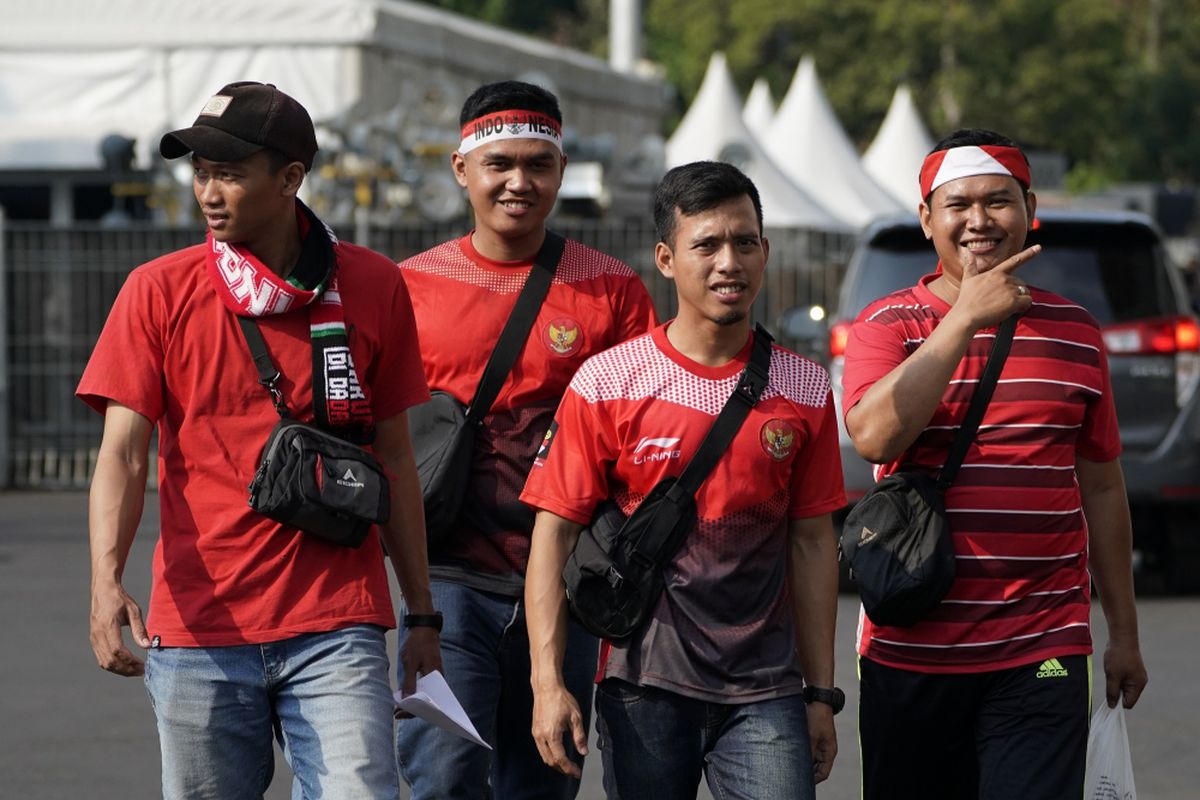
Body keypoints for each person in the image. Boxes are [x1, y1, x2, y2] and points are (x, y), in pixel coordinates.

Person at [78, 81, 440, 800]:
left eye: (231, 172)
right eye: (201, 171)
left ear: (290, 179)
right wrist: (105, 581)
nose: (209, 191)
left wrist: (421, 612)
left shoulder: (372, 283)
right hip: (200, 629)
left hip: (339, 624)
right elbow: (122, 453)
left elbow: (396, 455)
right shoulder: (157, 290)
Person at [520, 161, 846, 800]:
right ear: (667, 259)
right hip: (644, 687)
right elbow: (552, 537)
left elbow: (812, 546)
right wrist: (547, 683)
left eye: (745, 242)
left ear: (765, 251)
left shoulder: (805, 387)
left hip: (768, 693)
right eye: (707, 245)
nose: (729, 262)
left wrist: (820, 694)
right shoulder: (607, 381)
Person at [841, 128, 1149, 800]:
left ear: (1029, 208)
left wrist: (1123, 631)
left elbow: (1101, 485)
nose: (978, 220)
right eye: (958, 205)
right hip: (911, 651)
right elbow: (873, 438)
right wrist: (962, 322)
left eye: (998, 201)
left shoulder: (1075, 332)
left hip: (1042, 648)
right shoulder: (887, 325)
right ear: (928, 220)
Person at [394, 80, 657, 799]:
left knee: (543, 783)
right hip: (446, 584)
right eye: (500, 163)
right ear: (461, 169)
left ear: (562, 171)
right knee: (441, 780)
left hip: (569, 584)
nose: (519, 182)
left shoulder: (612, 289)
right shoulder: (409, 287)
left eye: (539, 164)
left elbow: (640, 437)